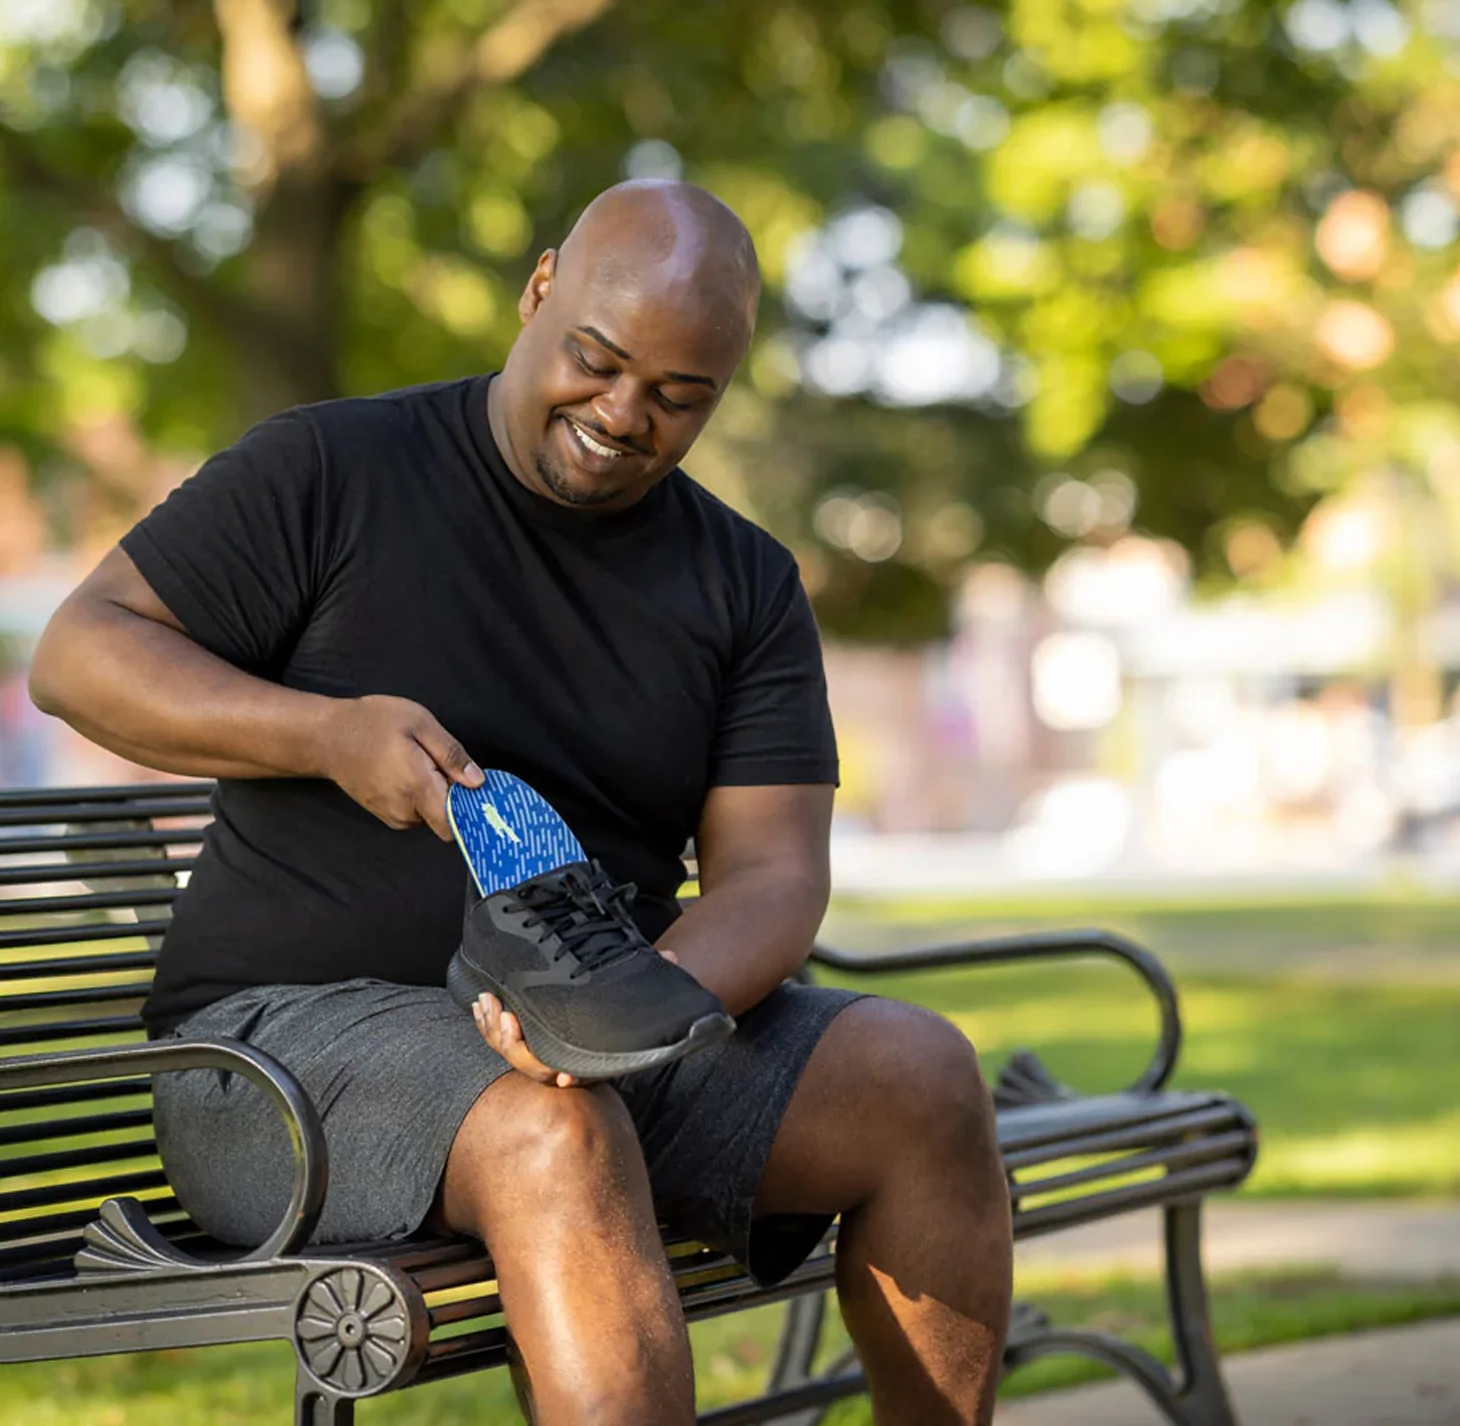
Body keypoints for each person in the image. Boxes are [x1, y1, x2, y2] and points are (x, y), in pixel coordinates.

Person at [30, 180, 1013, 1426]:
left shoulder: (743, 581)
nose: (620, 415)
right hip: (278, 1054)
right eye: (597, 361)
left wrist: (623, 1013)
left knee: (920, 1076)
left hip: (601, 1035)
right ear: (539, 286)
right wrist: (325, 734)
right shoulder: (331, 467)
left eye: (677, 396)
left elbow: (772, 872)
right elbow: (80, 655)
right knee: (555, 1138)